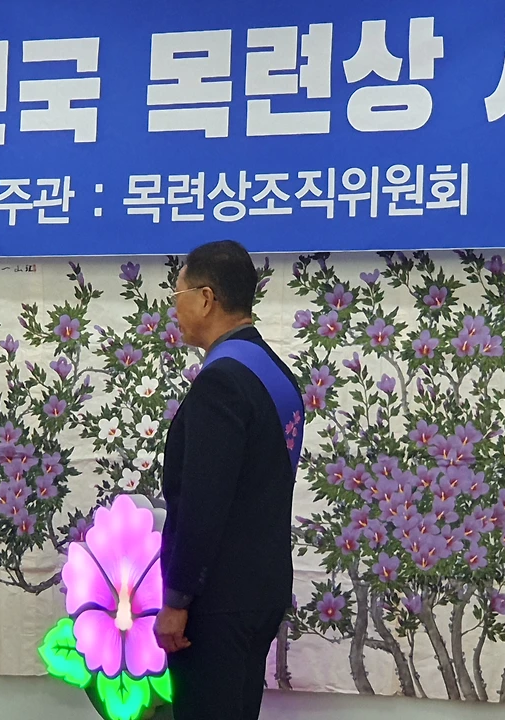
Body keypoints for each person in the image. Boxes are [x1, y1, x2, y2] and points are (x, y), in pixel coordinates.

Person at [154, 240, 305, 719]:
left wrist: (178, 600)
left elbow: (204, 502)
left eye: (177, 297)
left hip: (216, 601)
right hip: (260, 590)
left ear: (205, 298)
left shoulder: (222, 381)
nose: (174, 310)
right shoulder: (274, 373)